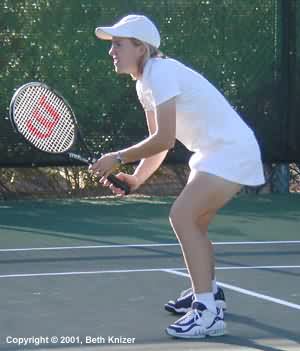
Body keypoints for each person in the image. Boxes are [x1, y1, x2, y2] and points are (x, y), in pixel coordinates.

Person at [91, 14, 265, 338]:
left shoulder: (161, 72)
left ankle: (207, 312)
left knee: (182, 217)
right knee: (194, 222)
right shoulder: (145, 83)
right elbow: (158, 143)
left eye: (118, 44)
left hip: (231, 151)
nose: (111, 51)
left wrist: (116, 158)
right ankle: (210, 293)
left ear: (140, 48)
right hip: (214, 153)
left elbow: (165, 139)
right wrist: (136, 178)